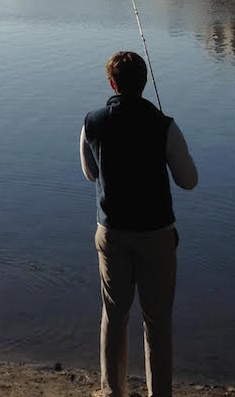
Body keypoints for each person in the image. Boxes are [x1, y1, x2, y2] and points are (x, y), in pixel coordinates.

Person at [80, 51, 198, 397]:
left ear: (112, 84)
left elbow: (90, 173)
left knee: (114, 316)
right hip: (157, 235)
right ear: (144, 83)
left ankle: (112, 391)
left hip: (112, 233)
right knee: (157, 322)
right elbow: (188, 181)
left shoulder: (92, 122)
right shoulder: (164, 125)